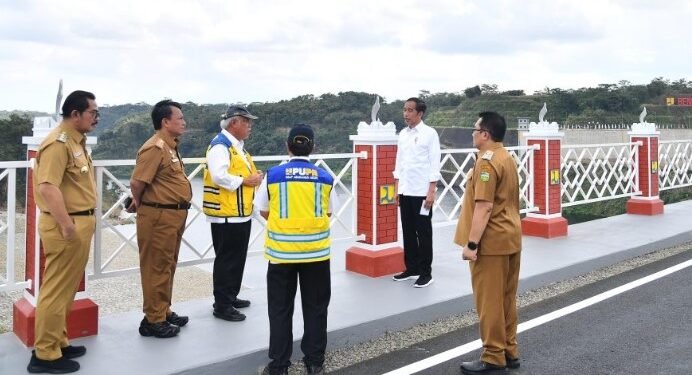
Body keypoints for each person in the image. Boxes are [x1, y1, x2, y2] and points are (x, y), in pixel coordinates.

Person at [255, 124, 339, 375]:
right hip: (316, 254)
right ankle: (314, 362)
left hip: (281, 255)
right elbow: (329, 211)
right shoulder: (325, 178)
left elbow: (263, 209)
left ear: (287, 146)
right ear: (313, 147)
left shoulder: (273, 175)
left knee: (280, 309)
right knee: (316, 308)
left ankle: (279, 365)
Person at [27, 90, 99, 374]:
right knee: (55, 290)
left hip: (80, 221)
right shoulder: (58, 144)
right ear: (75, 114)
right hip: (66, 225)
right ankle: (45, 354)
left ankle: (58, 340)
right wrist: (67, 225)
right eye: (93, 113)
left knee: (66, 289)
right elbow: (47, 187)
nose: (96, 118)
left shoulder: (75, 142)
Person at [455, 112, 522, 374]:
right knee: (506, 299)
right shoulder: (506, 156)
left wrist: (471, 245)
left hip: (491, 243)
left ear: (485, 134)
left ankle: (493, 356)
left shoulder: (486, 163)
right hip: (510, 237)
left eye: (475, 129)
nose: (472, 133)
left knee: (490, 301)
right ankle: (509, 350)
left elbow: (483, 207)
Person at [128, 100, 192, 338]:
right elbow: (137, 182)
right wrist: (142, 203)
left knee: (167, 265)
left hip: (172, 215)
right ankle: (153, 320)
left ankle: (163, 310)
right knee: (156, 266)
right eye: (180, 118)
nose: (184, 122)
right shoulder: (155, 147)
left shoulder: (170, 146)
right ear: (165, 122)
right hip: (159, 215)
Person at [203, 105, 263, 322]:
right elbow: (219, 176)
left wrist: (252, 179)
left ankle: (230, 296)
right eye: (247, 122)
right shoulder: (221, 146)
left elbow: (238, 173)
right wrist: (246, 180)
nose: (250, 126)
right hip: (226, 214)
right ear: (234, 122)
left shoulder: (238, 147)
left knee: (237, 258)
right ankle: (222, 304)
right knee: (227, 259)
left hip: (240, 213)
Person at [392, 97, 441, 288]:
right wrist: (397, 188)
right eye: (404, 110)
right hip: (405, 190)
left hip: (422, 192)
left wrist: (431, 191)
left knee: (424, 232)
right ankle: (411, 268)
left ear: (420, 113)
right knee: (408, 231)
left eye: (410, 110)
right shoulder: (403, 134)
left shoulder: (430, 134)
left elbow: (434, 163)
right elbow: (399, 162)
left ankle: (425, 273)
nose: (406, 114)